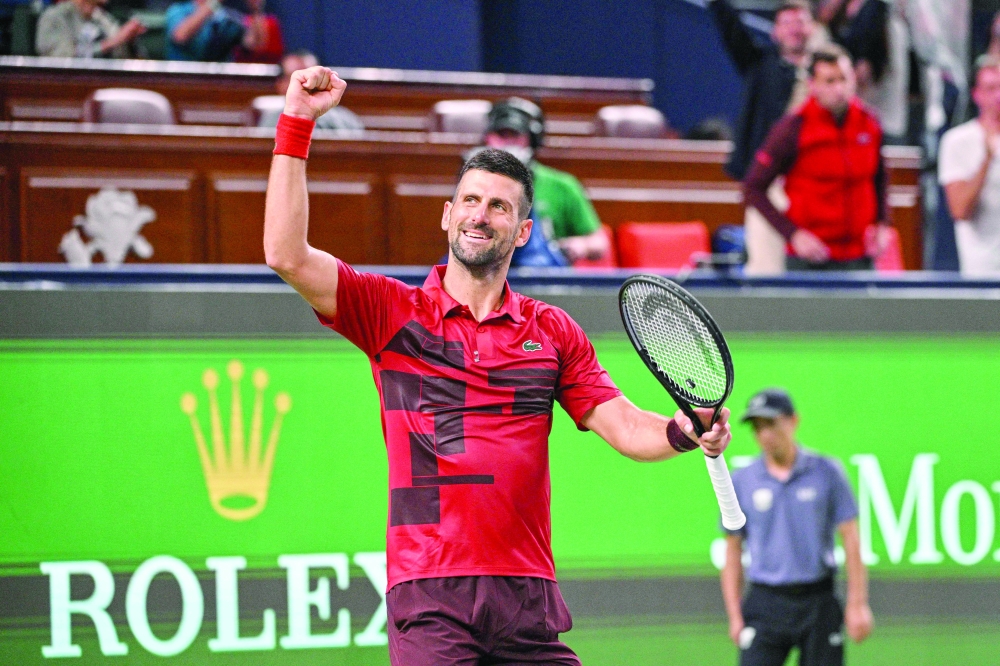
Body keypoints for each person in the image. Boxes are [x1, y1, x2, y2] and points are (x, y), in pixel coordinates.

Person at [263, 66, 732, 665]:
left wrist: (683, 429)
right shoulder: (391, 312)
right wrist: (297, 122)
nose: (480, 215)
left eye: (500, 207)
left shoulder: (553, 331)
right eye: (470, 201)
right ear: (447, 214)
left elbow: (625, 427)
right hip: (430, 592)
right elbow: (284, 253)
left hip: (526, 598)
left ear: (523, 230)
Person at [722, 388, 873, 666]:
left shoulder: (827, 472)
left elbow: (851, 539)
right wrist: (734, 614)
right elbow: (732, 549)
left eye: (771, 424)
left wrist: (857, 603)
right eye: (757, 427)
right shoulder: (743, 480)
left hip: (817, 600)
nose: (764, 435)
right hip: (765, 601)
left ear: (793, 421)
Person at [743, 45, 893, 271]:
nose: (839, 88)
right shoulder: (792, 128)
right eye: (830, 81)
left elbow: (879, 178)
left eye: (844, 78)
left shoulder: (870, 123)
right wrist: (792, 234)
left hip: (859, 255)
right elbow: (753, 187)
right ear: (812, 84)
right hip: (811, 259)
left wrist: (882, 223)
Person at [707, 0, 820, 274]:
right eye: (787, 22)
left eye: (800, 21)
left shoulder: (825, 72)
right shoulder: (759, 65)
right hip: (767, 183)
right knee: (765, 266)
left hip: (812, 187)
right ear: (774, 33)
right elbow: (730, 27)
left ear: (813, 28)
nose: (795, 29)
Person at [481, 97, 610, 264]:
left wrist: (580, 245)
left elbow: (599, 242)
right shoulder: (475, 184)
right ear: (488, 139)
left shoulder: (563, 185)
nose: (507, 143)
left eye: (514, 135)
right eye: (501, 135)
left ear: (532, 139)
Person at [939, 55, 1000, 277]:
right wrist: (987, 160)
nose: (999, 96)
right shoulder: (957, 141)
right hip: (982, 271)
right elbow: (960, 210)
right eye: (991, 88)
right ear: (976, 94)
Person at [255, 51, 365, 131]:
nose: (306, 84)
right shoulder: (270, 123)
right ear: (280, 85)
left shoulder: (347, 122)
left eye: (312, 78)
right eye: (296, 79)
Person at [35, 0, 146, 58]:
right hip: (69, 90)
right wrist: (111, 43)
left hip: (108, 85)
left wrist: (129, 41)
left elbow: (122, 58)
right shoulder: (55, 17)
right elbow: (61, 59)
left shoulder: (101, 17)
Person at [165, 0, 263, 62]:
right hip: (183, 80)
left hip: (221, 82)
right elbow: (180, 36)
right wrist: (214, 3)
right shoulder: (179, 10)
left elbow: (254, 43)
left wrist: (255, 10)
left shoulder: (227, 16)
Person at [231, 0, 283, 64]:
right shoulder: (240, 22)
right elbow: (249, 46)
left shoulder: (272, 23)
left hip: (269, 67)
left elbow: (269, 49)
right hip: (245, 67)